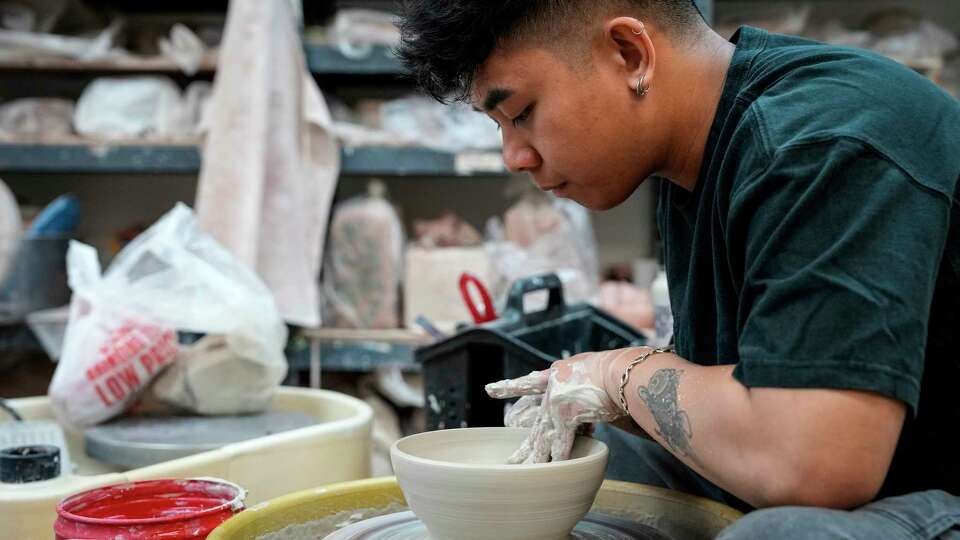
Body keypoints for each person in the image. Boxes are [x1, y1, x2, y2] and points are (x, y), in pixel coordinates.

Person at [398, 0, 960, 538]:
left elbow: (815, 463)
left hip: (921, 483)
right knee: (590, 467)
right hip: (881, 470)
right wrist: (602, 397)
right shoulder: (695, 151)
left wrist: (616, 373)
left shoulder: (819, 141)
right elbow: (728, 383)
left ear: (630, 54)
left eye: (521, 113)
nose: (514, 155)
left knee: (783, 535)